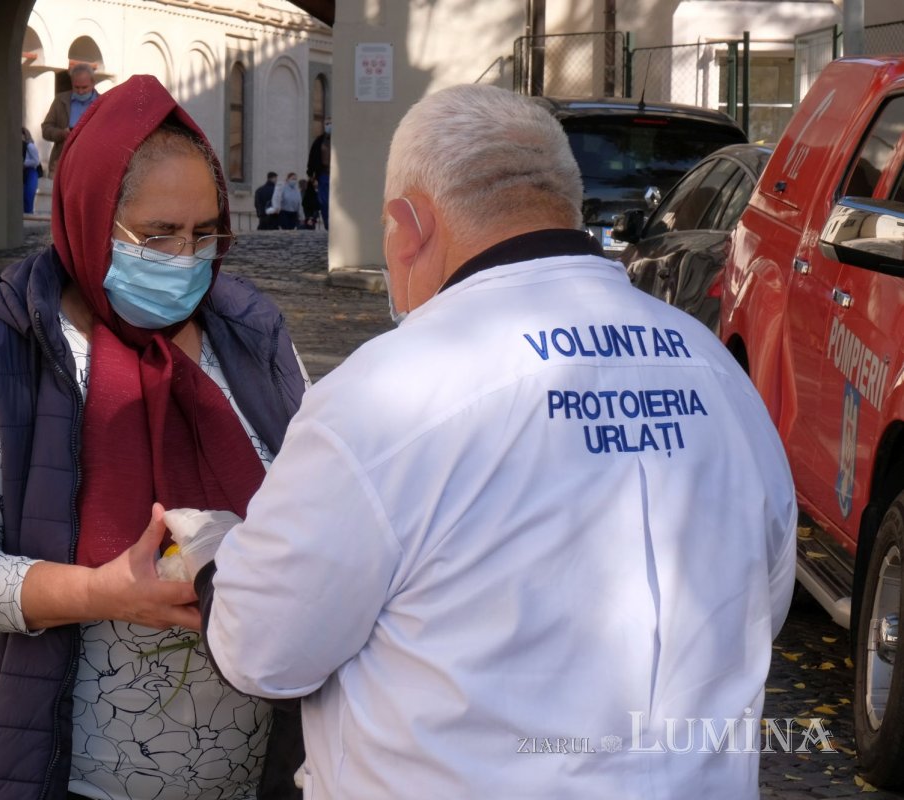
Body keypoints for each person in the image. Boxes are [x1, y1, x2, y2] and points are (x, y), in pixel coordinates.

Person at [175, 84, 797, 798]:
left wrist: (207, 555)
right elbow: (759, 608)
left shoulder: (387, 394)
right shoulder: (718, 373)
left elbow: (261, 650)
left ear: (407, 225)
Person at [0, 74, 309, 800]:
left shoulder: (250, 334)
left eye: (205, 232)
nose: (186, 258)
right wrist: (103, 592)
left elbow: (315, 487)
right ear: (92, 218)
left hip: (254, 768)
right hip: (71, 770)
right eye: (157, 235)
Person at [42, 63, 99, 178]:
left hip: (91, 163)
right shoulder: (61, 100)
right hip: (62, 162)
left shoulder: (101, 103)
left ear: (93, 83)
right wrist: (62, 133)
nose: (81, 92)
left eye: (84, 87)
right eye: (76, 87)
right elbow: (46, 129)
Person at [306, 117, 330, 229]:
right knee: (325, 202)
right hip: (324, 174)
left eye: (331, 123)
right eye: (327, 123)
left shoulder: (341, 139)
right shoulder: (319, 141)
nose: (329, 125)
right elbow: (313, 158)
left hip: (338, 175)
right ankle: (328, 224)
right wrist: (311, 174)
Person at [22, 127, 42, 214]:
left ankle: (29, 214)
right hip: (22, 172)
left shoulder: (30, 146)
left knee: (28, 195)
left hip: (31, 172)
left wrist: (24, 163)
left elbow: (36, 161)